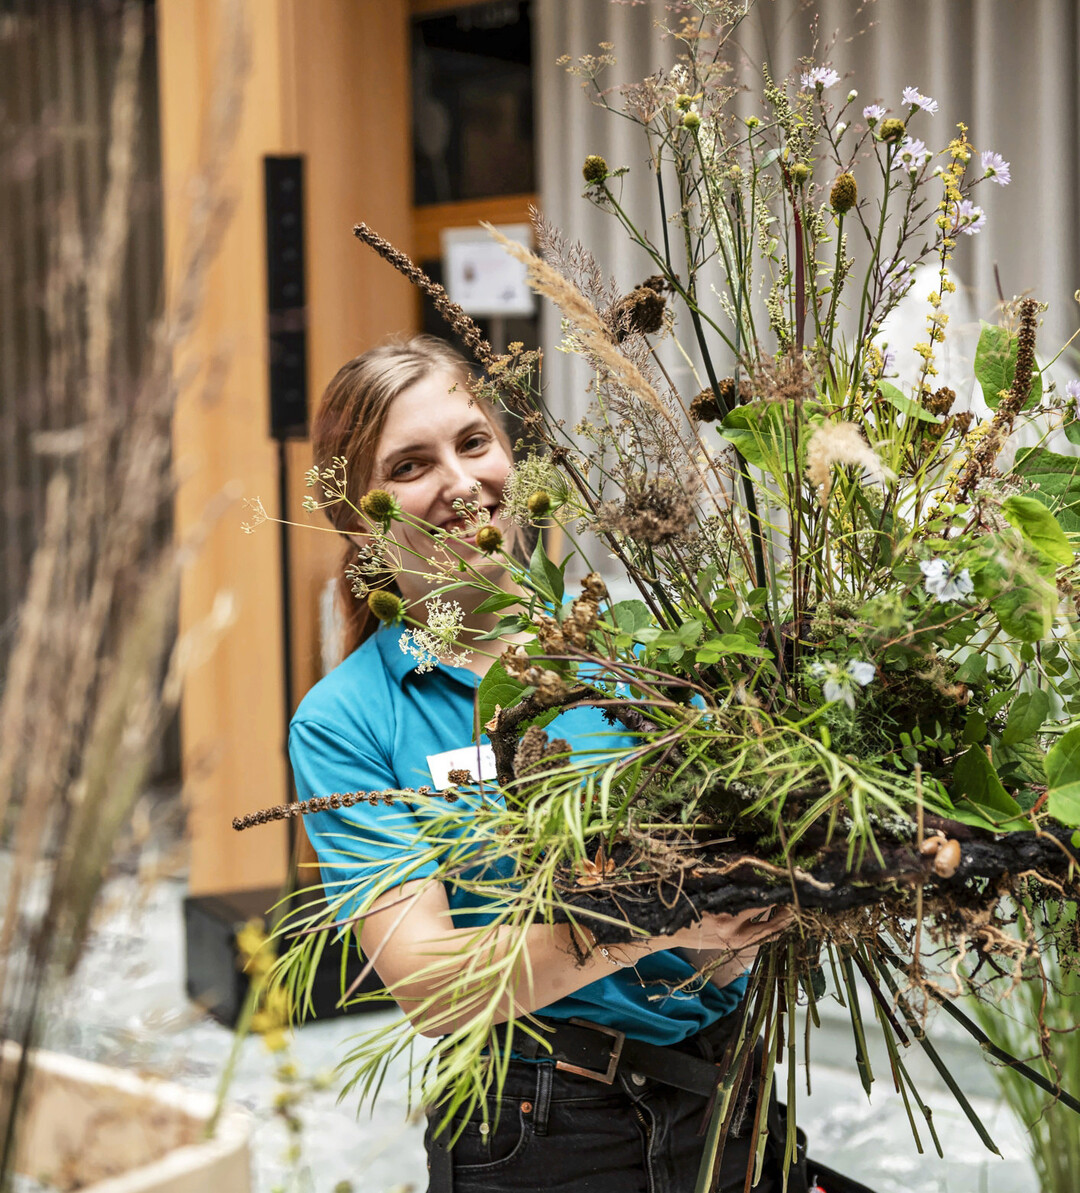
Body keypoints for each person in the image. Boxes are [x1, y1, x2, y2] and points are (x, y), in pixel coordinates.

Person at [290, 335, 795, 1193]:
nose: (459, 484)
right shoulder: (347, 720)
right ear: (357, 514)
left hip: (728, 1090)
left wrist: (758, 919)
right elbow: (436, 985)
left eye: (473, 442)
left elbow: (735, 854)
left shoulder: (641, 642)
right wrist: (664, 919)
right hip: (538, 1126)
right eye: (411, 465)